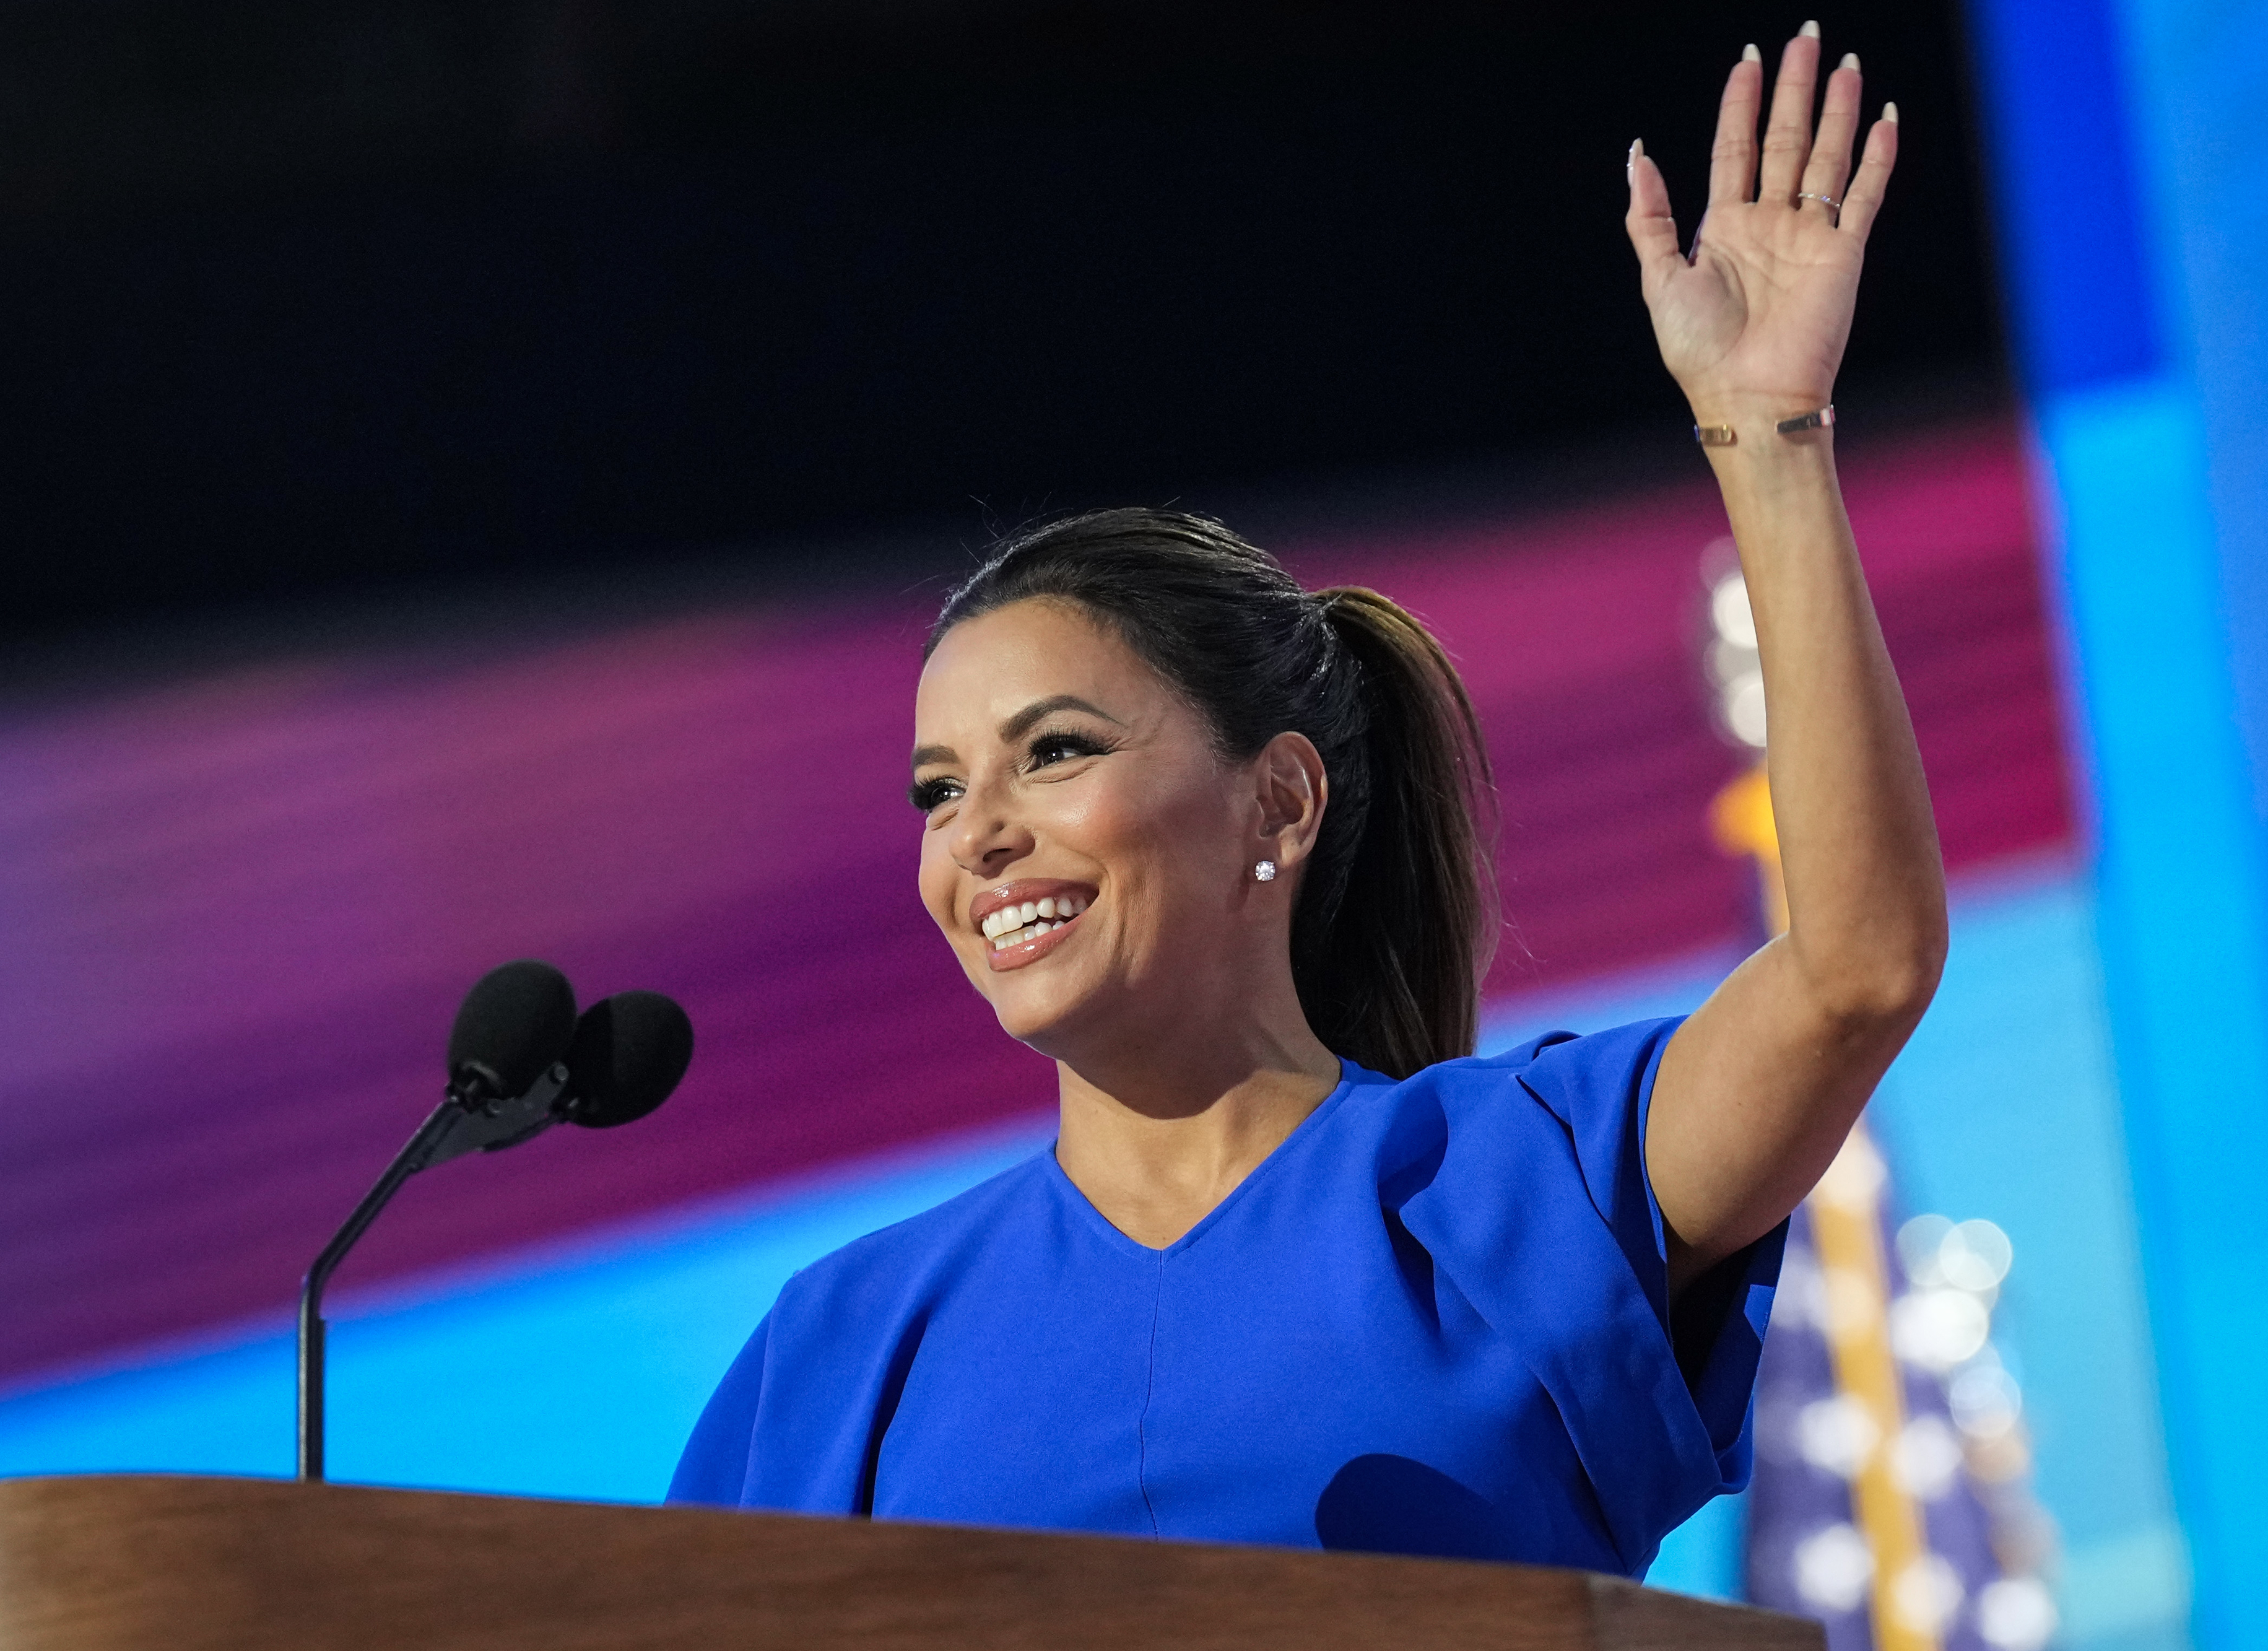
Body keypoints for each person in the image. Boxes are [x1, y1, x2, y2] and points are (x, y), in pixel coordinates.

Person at [671, 24, 1943, 1579]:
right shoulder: (839, 1354)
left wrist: (1769, 434)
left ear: (1275, 800)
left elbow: (1855, 967)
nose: (976, 831)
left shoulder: (1512, 1186)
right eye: (939, 788)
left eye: (1053, 750)